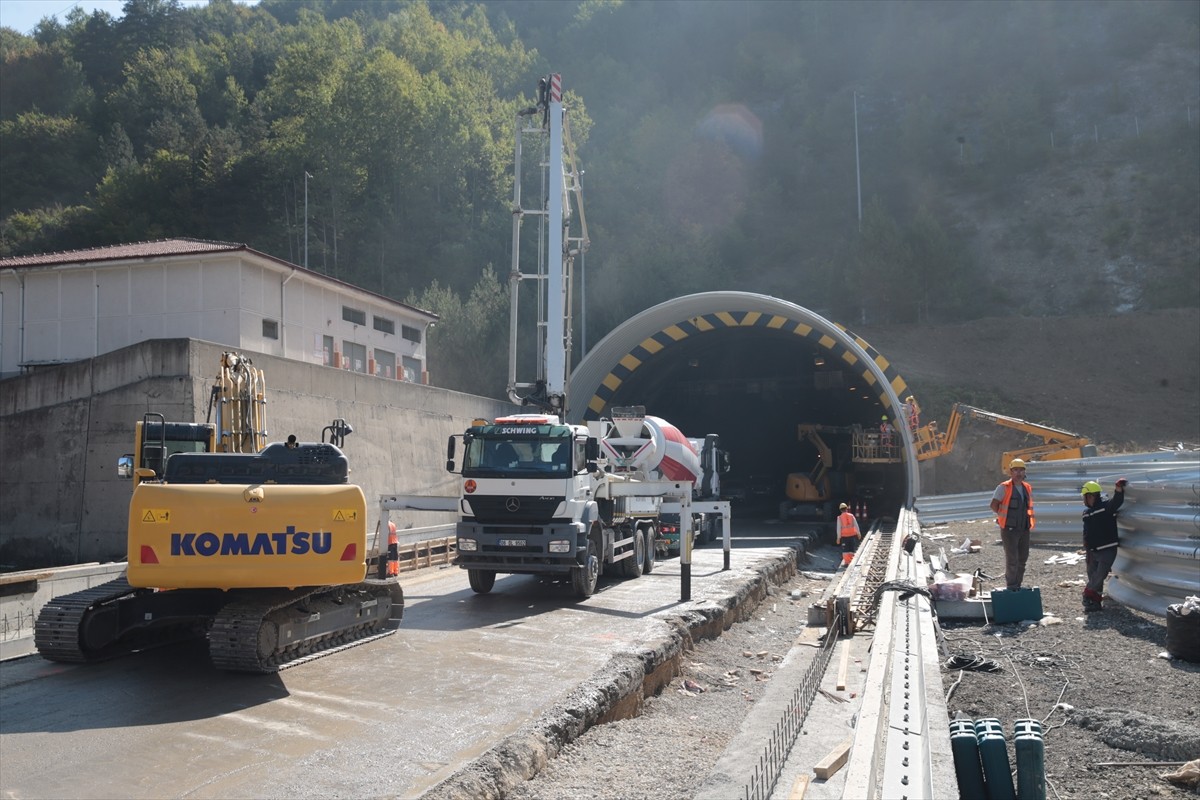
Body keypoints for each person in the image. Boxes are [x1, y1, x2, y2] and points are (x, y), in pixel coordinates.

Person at [1080, 478, 1127, 612]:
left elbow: (1117, 502)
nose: (1084, 500)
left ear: (1090, 496)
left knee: (1100, 574)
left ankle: (1088, 592)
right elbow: (1086, 531)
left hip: (1107, 549)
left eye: (1085, 497)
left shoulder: (1105, 507)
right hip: (1092, 550)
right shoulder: (1086, 513)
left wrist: (1118, 489)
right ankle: (1094, 602)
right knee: (1092, 573)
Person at [989, 458, 1035, 592]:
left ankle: (1018, 585)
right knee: (1012, 560)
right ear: (1011, 472)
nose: (1018, 473)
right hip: (1009, 530)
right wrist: (1004, 517)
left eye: (1021, 470)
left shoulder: (1027, 487)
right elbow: (993, 505)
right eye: (1015, 470)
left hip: (1024, 529)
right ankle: (1012, 586)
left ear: (1024, 472)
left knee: (1022, 559)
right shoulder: (1003, 487)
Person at [836, 502, 861, 567]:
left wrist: (838, 538)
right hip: (852, 536)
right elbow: (856, 525)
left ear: (840, 510)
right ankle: (851, 561)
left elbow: (838, 528)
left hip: (844, 537)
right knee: (851, 549)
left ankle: (847, 563)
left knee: (845, 550)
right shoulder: (851, 516)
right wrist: (858, 533)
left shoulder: (839, 518)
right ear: (847, 509)